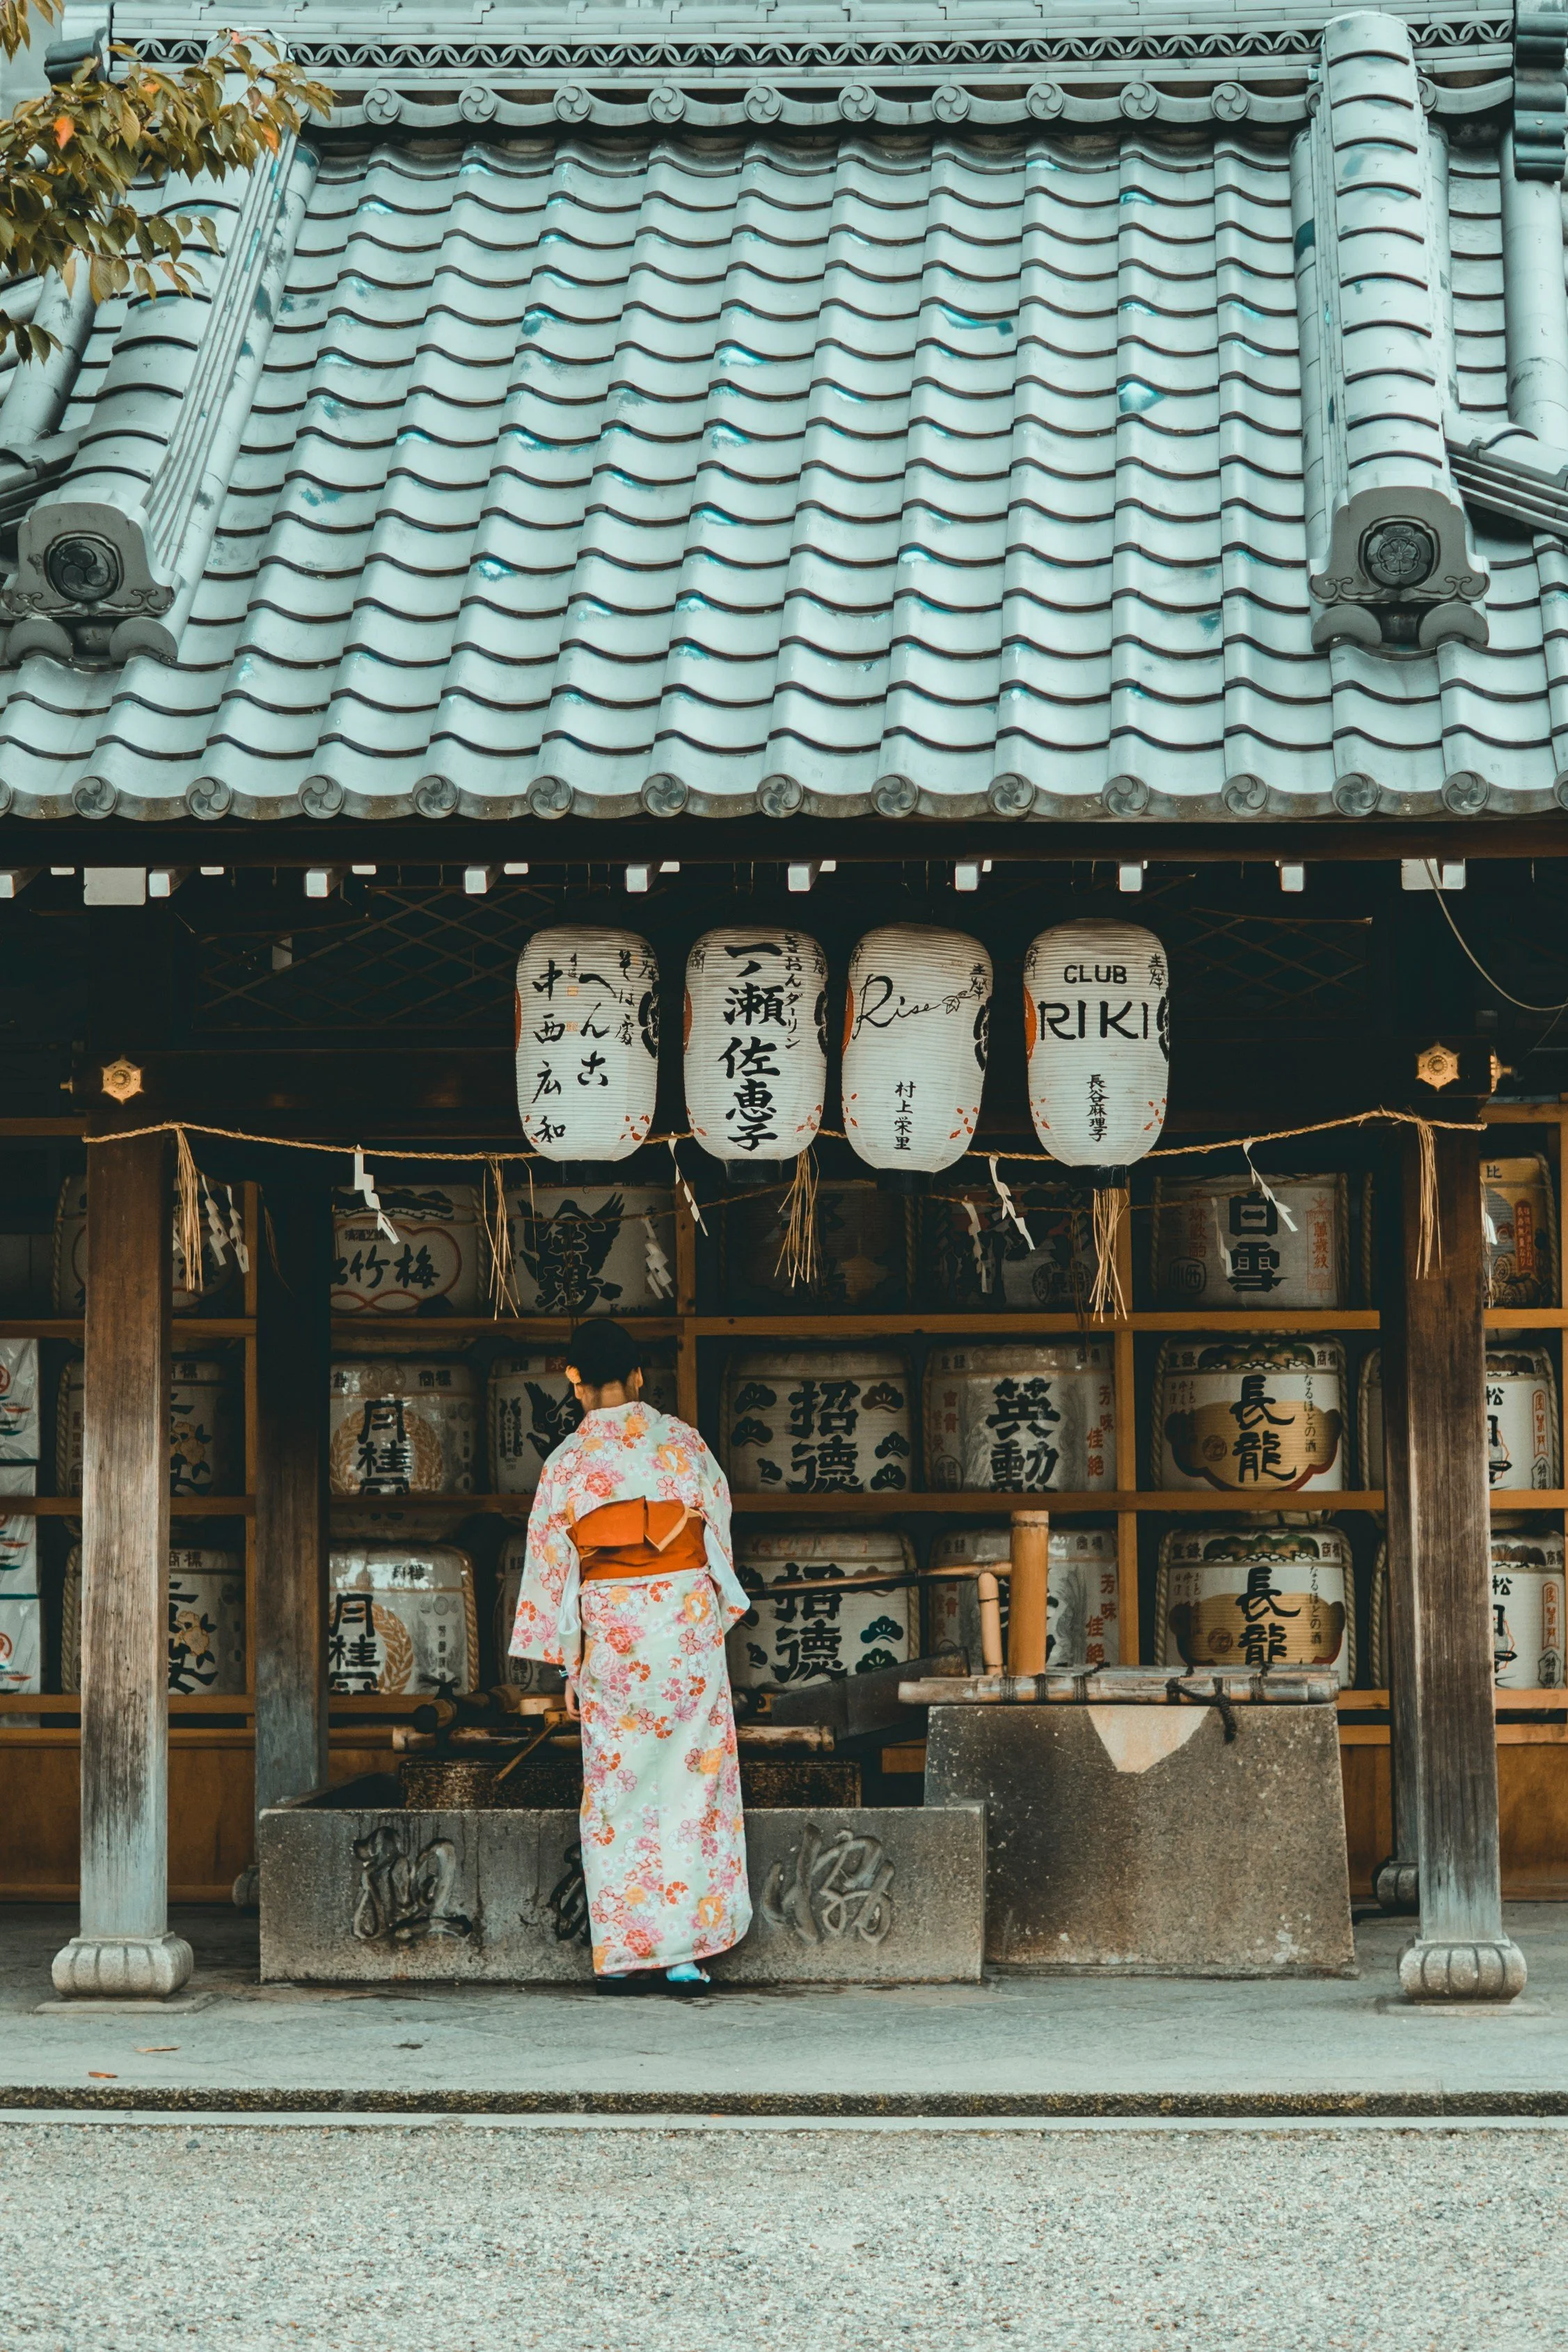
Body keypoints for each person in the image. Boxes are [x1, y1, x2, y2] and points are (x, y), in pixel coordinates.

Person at [508, 1319, 752, 1995]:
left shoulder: (567, 1464)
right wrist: (705, 1610)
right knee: (691, 1785)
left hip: (613, 1638)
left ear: (575, 1381)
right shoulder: (683, 1445)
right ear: (641, 1375)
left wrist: (568, 1659)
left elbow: (554, 1568)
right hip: (684, 1633)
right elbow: (718, 1532)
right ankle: (684, 1955)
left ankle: (621, 1954)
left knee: (616, 1792)